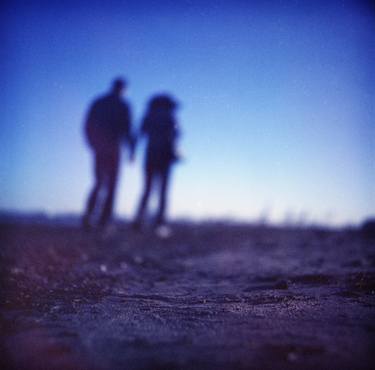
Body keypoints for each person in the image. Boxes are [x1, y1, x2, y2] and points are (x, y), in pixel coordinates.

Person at [82, 78, 134, 230]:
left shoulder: (99, 102)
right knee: (111, 185)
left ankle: (90, 217)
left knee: (99, 182)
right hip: (113, 148)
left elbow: (87, 124)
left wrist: (92, 143)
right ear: (123, 89)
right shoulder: (123, 105)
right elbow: (128, 129)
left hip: (101, 147)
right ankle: (104, 221)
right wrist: (131, 150)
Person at [133, 94, 181, 230]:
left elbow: (139, 134)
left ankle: (139, 220)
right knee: (163, 191)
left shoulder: (149, 116)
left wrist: (132, 152)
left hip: (150, 156)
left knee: (147, 189)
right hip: (165, 157)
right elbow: (175, 136)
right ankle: (160, 221)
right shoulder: (171, 117)